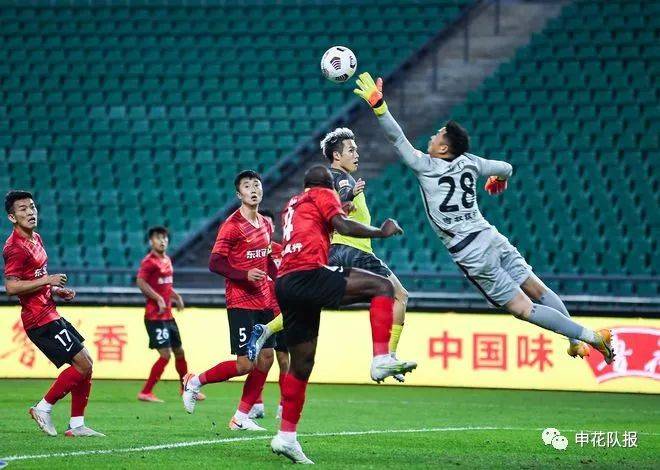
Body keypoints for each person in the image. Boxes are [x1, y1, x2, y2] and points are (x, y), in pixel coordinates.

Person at [353, 71, 614, 364]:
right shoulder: (471, 163)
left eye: (437, 134)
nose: (432, 136)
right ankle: (574, 341)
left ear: (443, 148)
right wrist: (499, 180)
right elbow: (506, 167)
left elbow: (396, 138)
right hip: (491, 236)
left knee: (524, 308)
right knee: (538, 289)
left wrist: (380, 106)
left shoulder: (425, 166)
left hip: (471, 250)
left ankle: (591, 337)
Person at [268, 165, 416, 464]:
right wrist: (380, 232)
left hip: (285, 283)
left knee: (302, 365)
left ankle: (286, 436)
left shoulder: (293, 203)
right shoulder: (324, 193)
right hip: (309, 273)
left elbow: (321, 226)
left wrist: (340, 210)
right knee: (383, 286)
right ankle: (380, 359)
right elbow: (344, 226)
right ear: (327, 185)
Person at [3, 190, 104, 437]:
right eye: (23, 209)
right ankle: (43, 407)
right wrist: (48, 280)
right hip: (39, 319)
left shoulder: (36, 239)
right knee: (83, 365)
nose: (30, 212)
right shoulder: (15, 247)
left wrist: (56, 290)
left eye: (32, 207)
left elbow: (36, 278)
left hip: (50, 311)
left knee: (87, 366)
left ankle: (77, 425)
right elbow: (11, 287)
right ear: (12, 217)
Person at [181, 170, 275, 432]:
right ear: (239, 194)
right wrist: (244, 274)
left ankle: (241, 417)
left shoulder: (266, 224)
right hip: (241, 302)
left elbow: (267, 259)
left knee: (267, 358)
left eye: (257, 184)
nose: (253, 189)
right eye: (247, 186)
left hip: (264, 301)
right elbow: (215, 262)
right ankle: (195, 381)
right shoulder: (232, 225)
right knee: (246, 364)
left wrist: (279, 284)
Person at [136, 226, 205, 403]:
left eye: (165, 237)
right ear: (151, 241)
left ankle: (185, 389)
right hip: (154, 316)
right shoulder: (149, 261)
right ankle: (146, 392)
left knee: (179, 351)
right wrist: (158, 298)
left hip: (168, 315)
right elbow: (141, 281)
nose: (163, 241)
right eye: (158, 237)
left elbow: (165, 285)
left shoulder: (166, 259)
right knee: (165, 354)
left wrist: (176, 296)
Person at [248, 209, 288, 420]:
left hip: (282, 313)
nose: (267, 227)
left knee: (283, 359)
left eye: (270, 224)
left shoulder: (283, 250)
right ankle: (256, 403)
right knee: (258, 359)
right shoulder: (252, 252)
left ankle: (283, 404)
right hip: (261, 310)